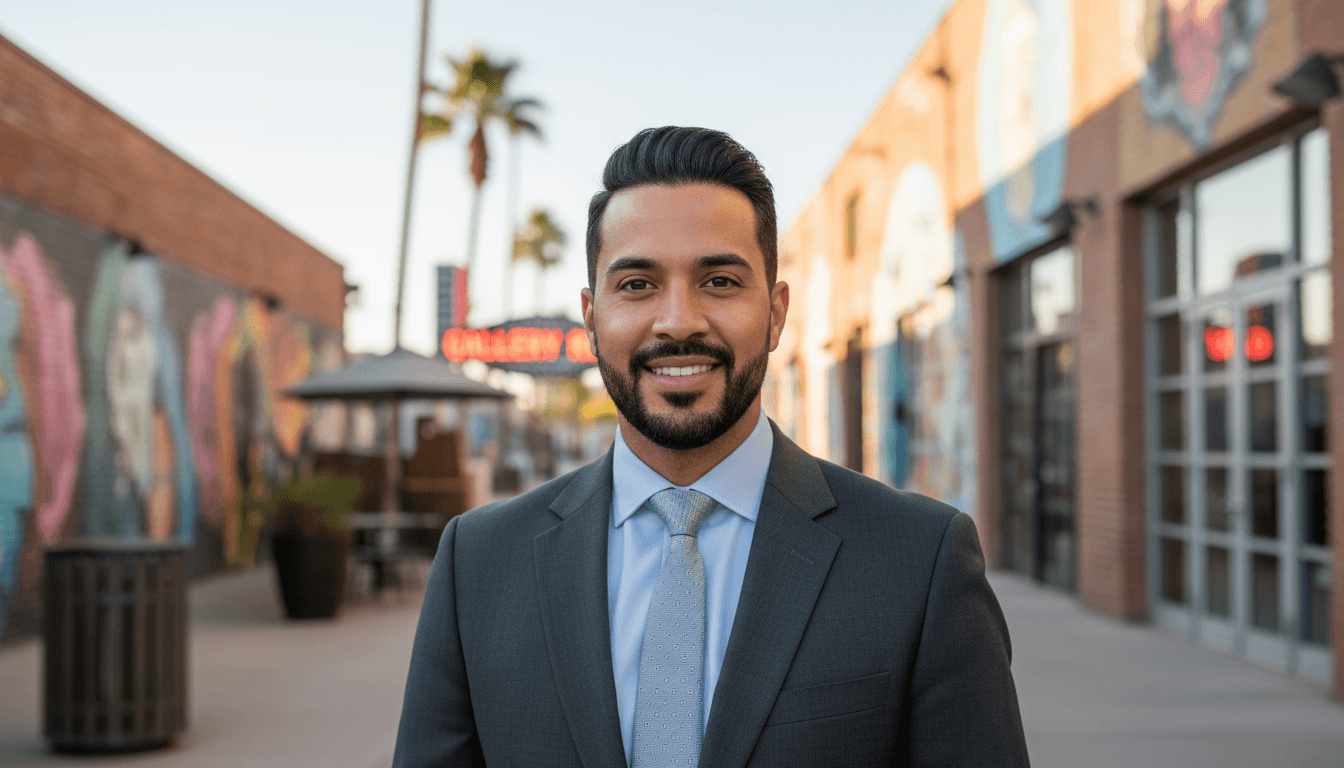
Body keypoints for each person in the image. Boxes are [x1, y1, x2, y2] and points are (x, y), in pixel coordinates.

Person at [393, 126, 1029, 767]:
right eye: (637, 284)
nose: (678, 320)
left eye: (720, 281)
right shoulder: (477, 565)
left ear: (776, 313)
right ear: (591, 318)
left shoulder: (919, 562)